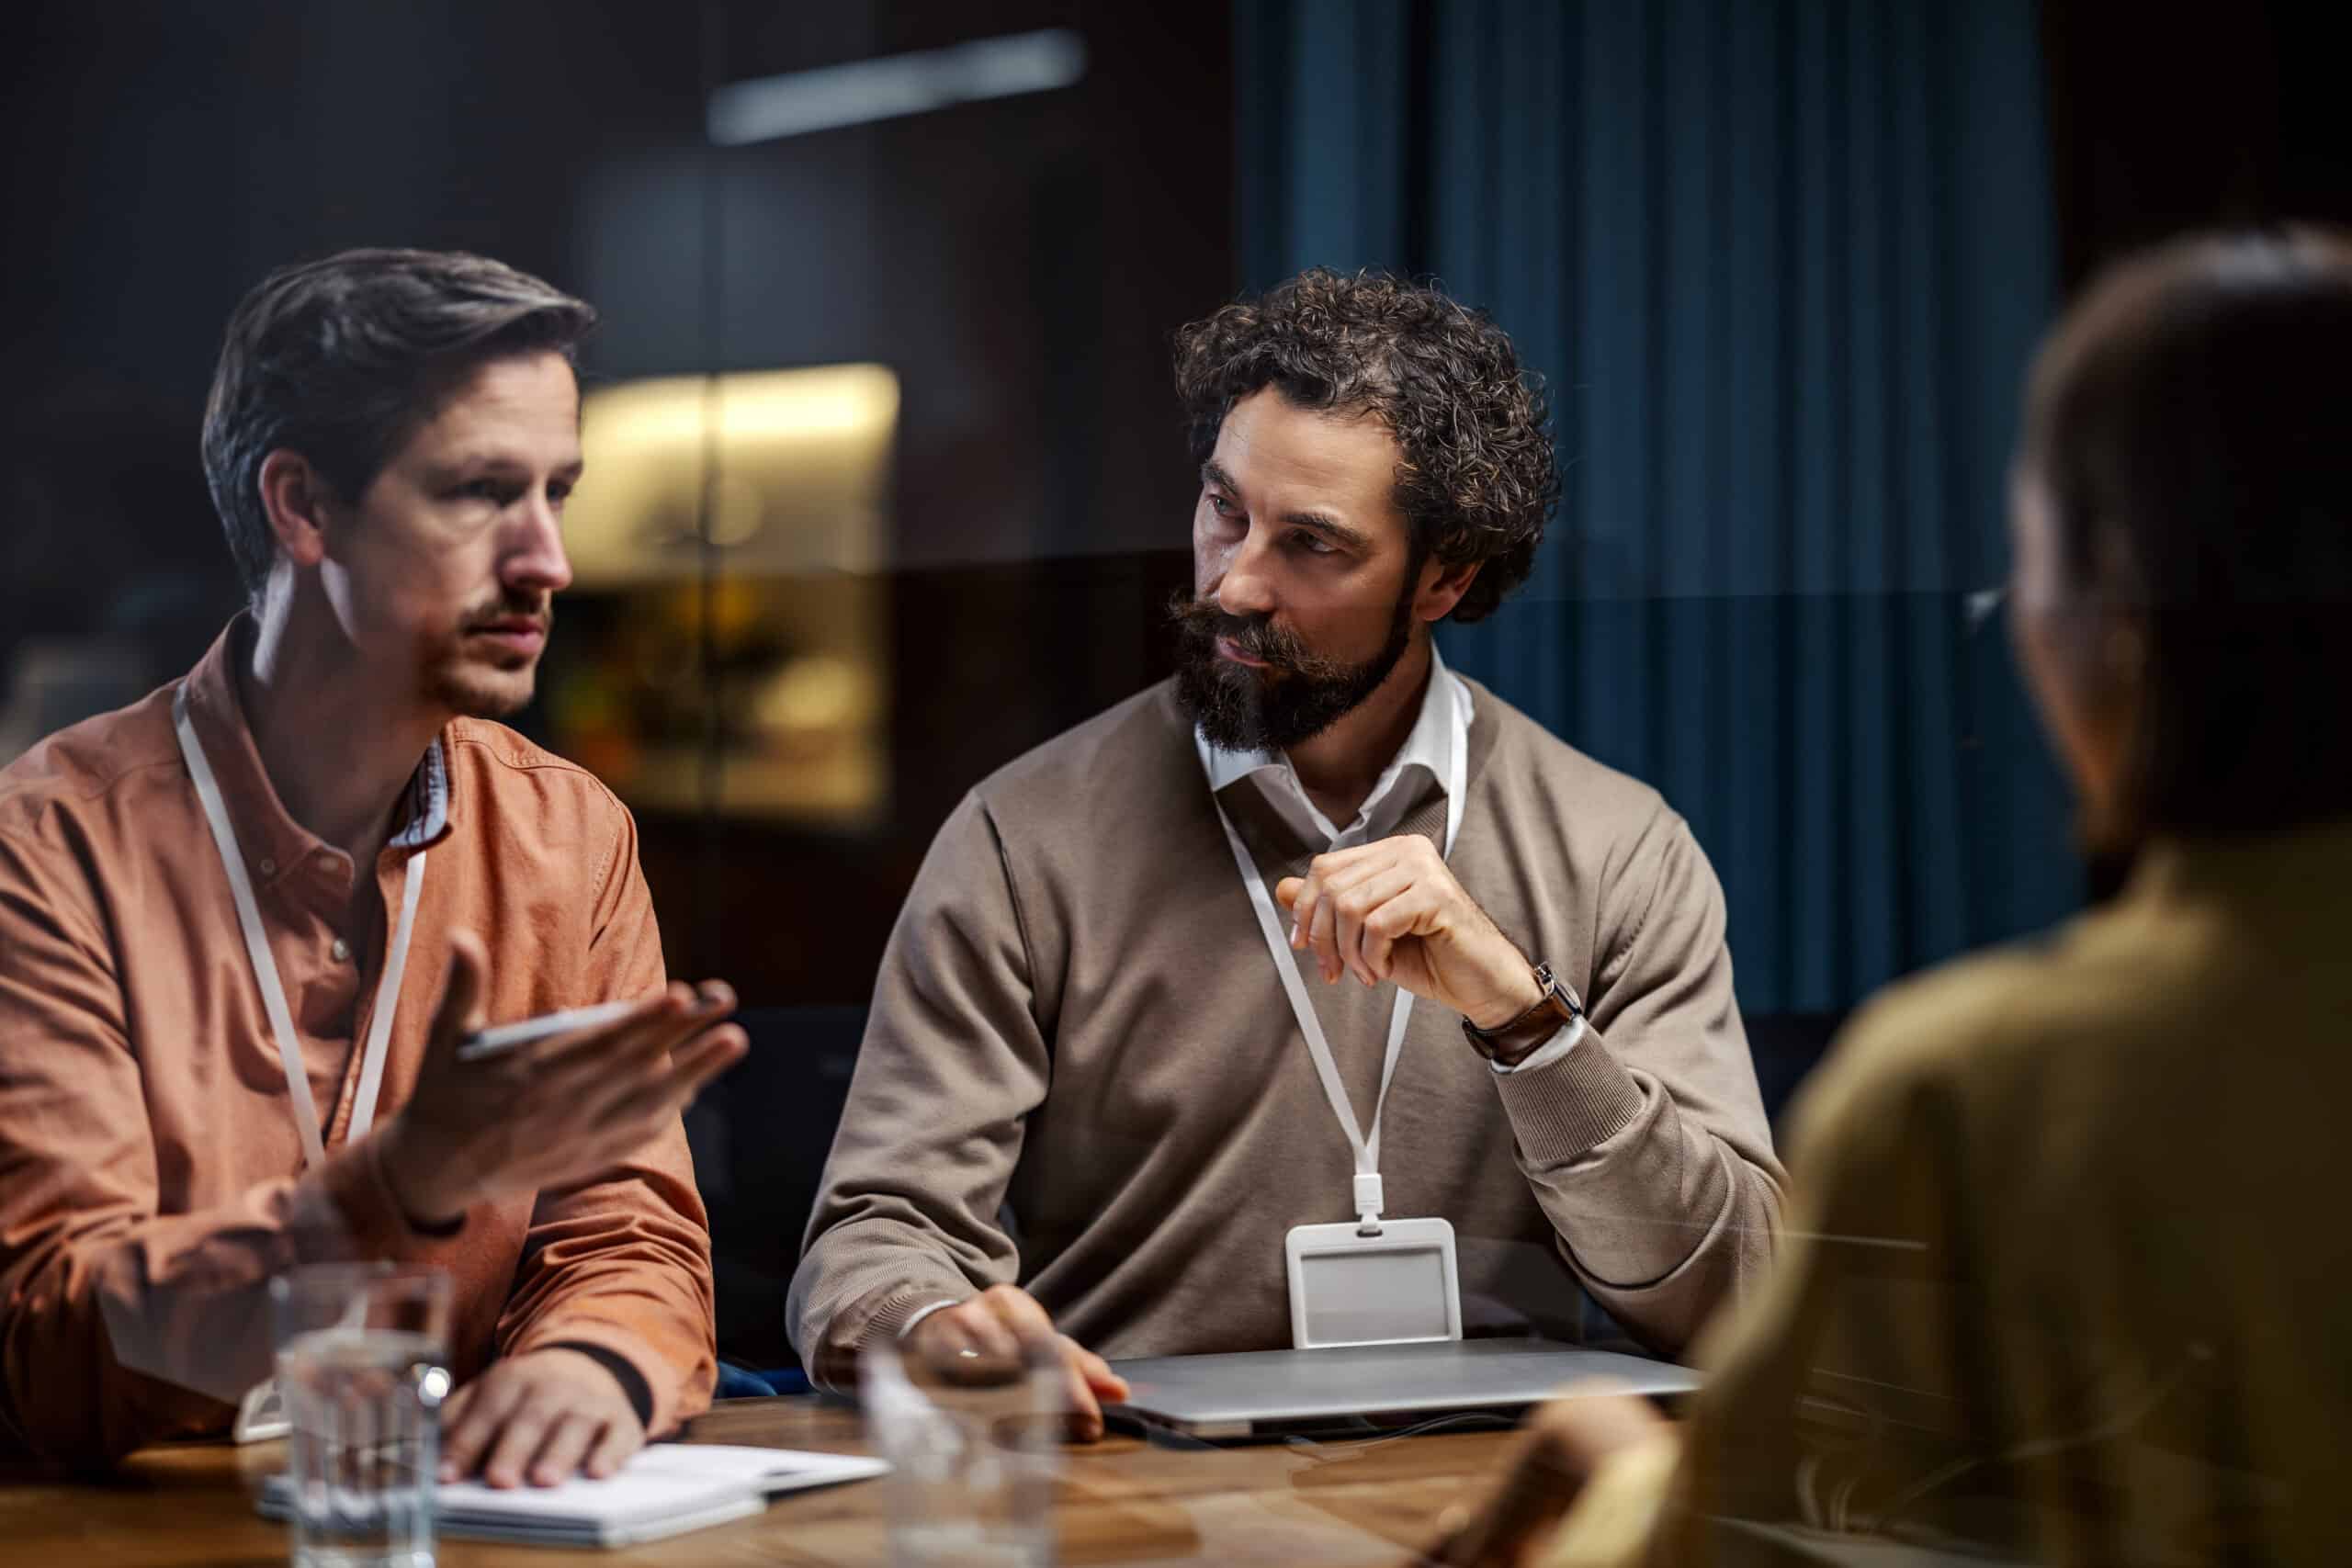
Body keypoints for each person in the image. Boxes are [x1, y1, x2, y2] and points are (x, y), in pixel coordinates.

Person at [1436, 228, 2352, 1567]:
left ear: (2103, 609)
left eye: (2027, 560)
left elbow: (1752, 1545)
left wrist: (1615, 1468)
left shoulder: (1970, 1095)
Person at [790, 268, 1785, 1436]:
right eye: (1224, 509)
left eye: (1310, 543)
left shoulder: (1618, 850)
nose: (1234, 582)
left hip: (1492, 1486)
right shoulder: (1025, 837)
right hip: (1140, 1482)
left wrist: (1528, 1024)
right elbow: (872, 1243)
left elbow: (1741, 1298)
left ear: (1445, 576)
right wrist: (932, 1326)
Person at [0, 249, 746, 1482]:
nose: (549, 559)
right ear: (303, 506)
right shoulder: (47, 848)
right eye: (480, 492)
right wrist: (397, 1186)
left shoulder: (569, 834)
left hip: (453, 1519)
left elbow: (626, 1238)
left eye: (557, 491)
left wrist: (591, 1364)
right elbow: (46, 1348)